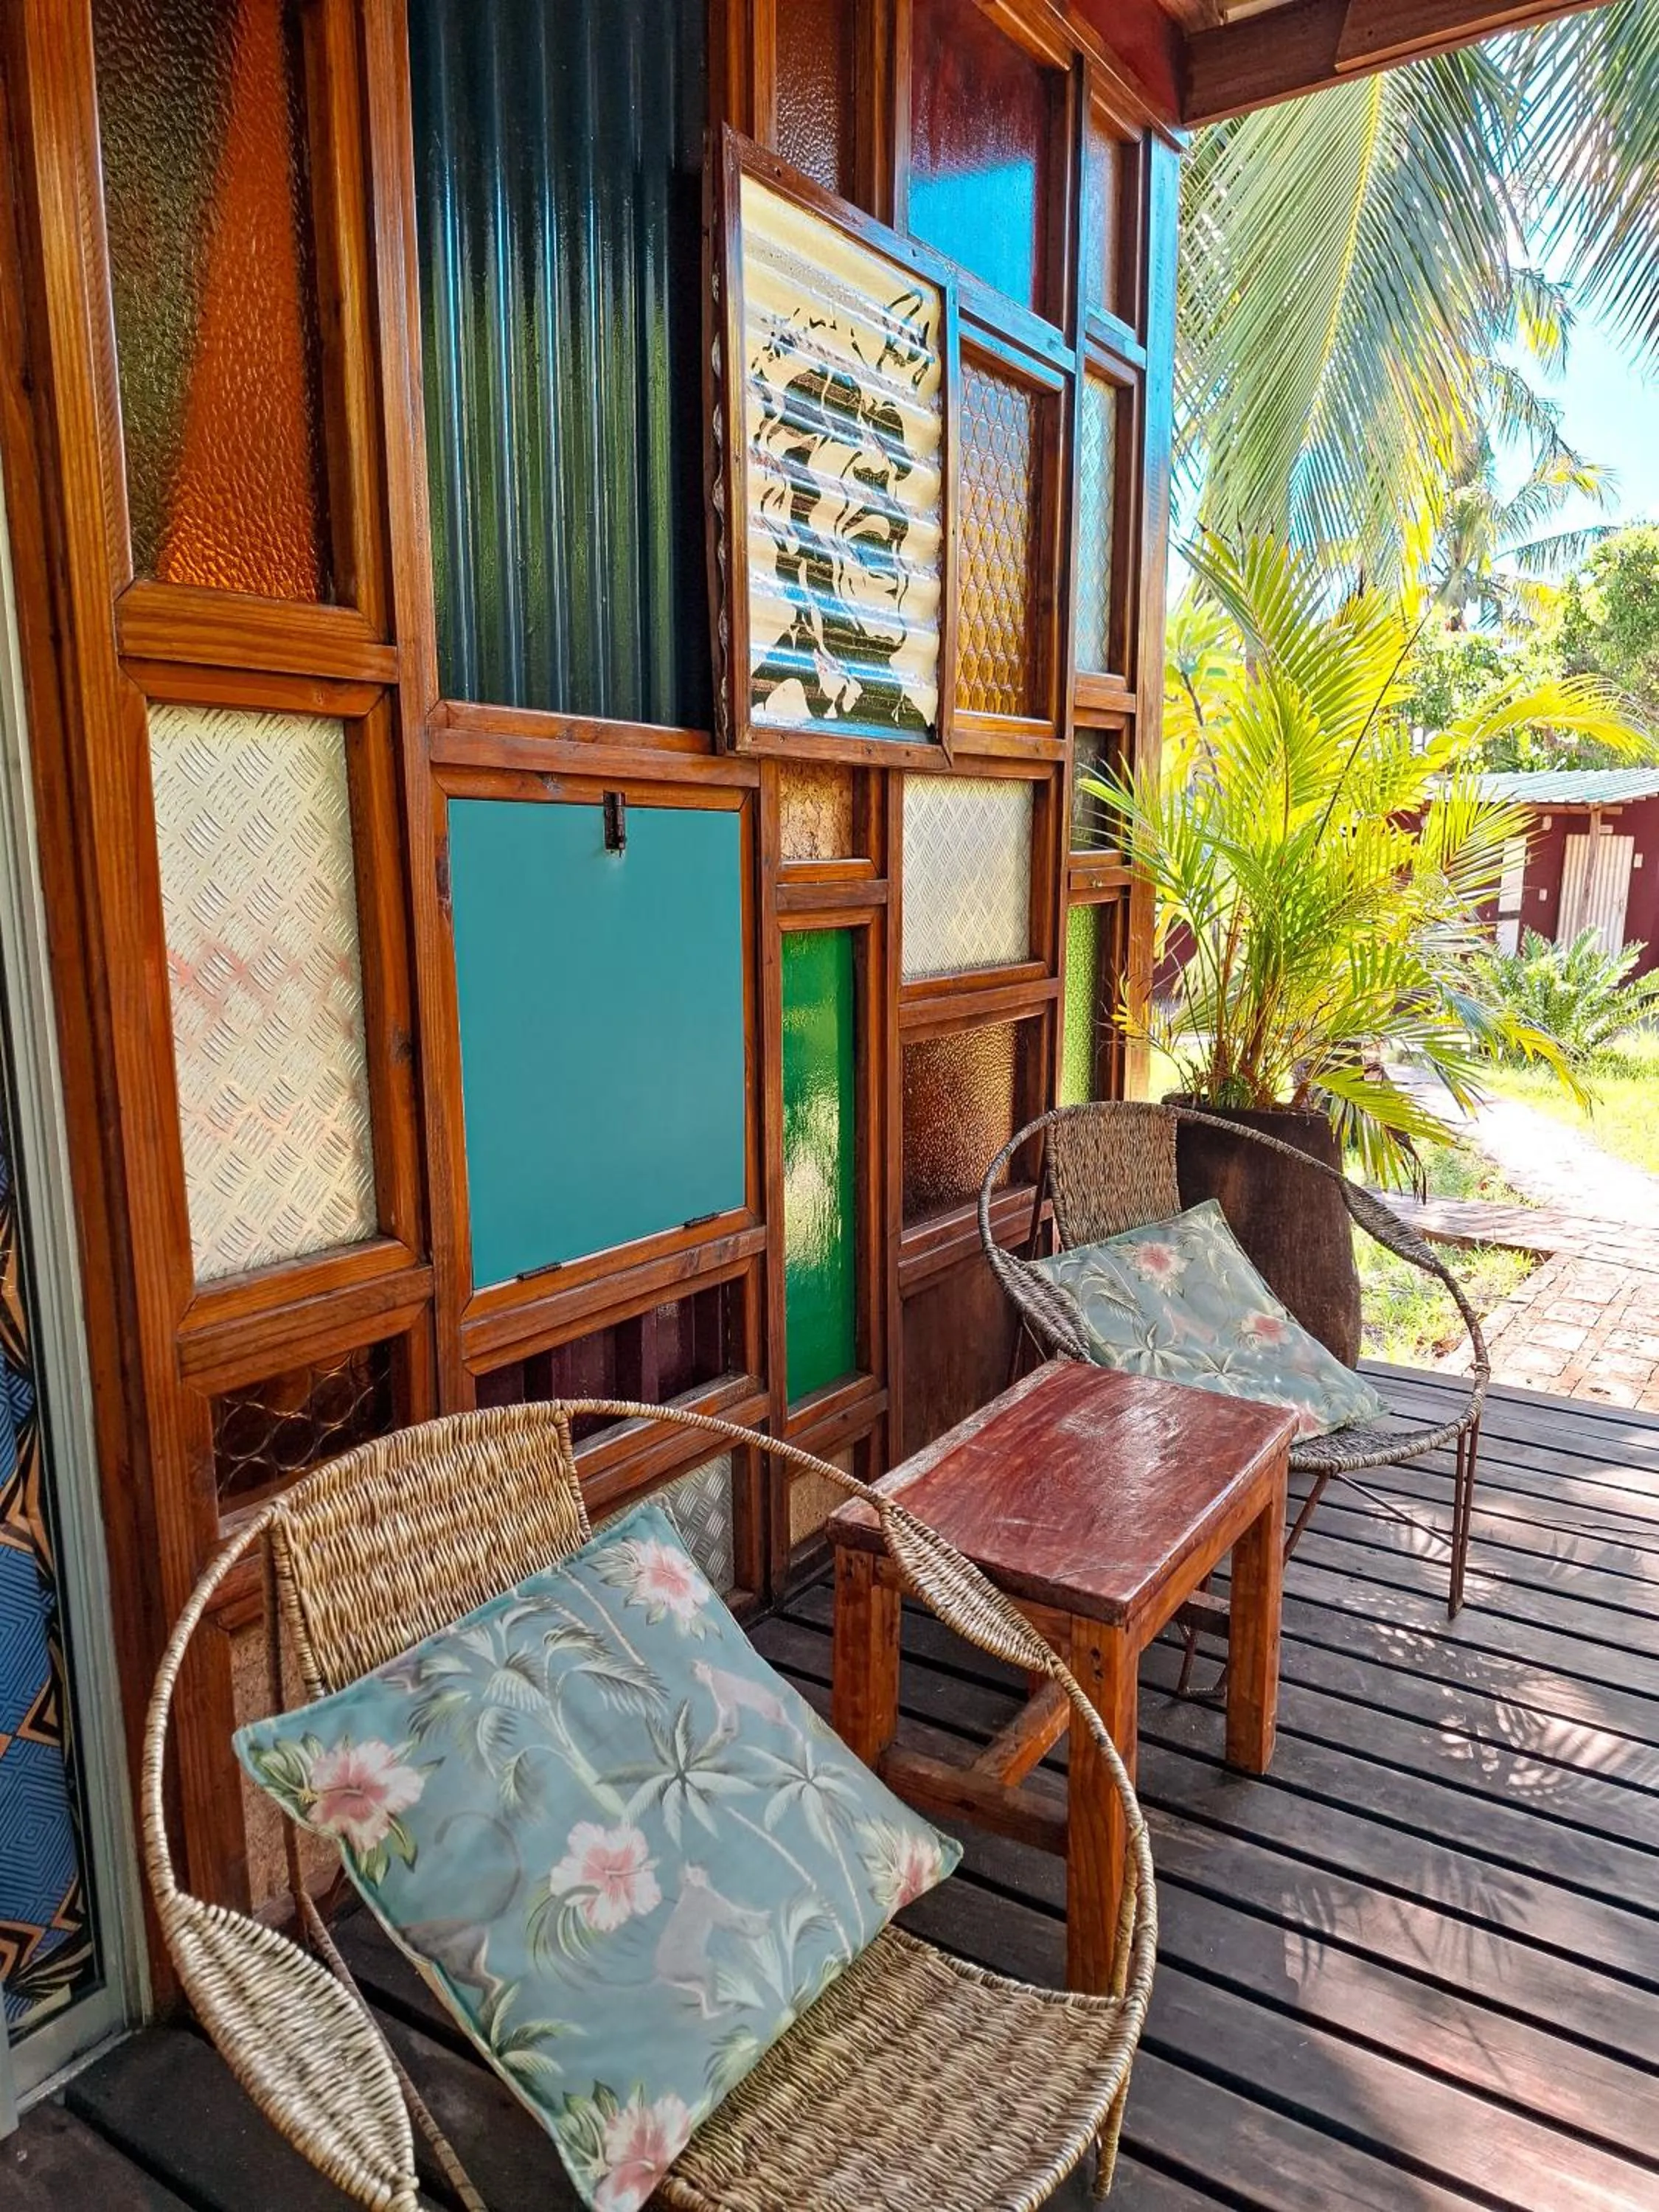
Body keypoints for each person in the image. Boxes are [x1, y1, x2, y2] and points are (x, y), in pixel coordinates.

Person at [748, 286, 939, 738]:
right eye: (841, 422)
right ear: (780, 501)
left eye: (887, 430)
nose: (883, 464)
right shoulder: (768, 703)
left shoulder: (912, 719)